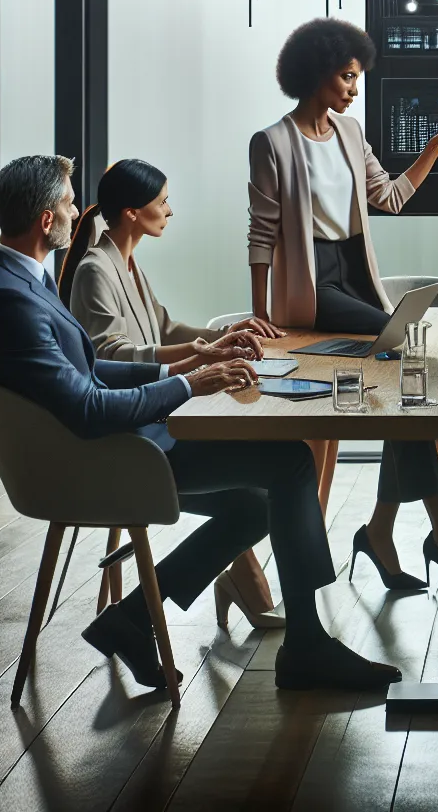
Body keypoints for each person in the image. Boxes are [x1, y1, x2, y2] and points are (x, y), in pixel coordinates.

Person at [0, 155, 399, 691]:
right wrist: (191, 384)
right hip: (104, 459)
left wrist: (186, 366)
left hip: (109, 447)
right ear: (46, 222)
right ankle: (307, 646)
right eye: (69, 205)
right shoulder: (12, 300)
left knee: (255, 502)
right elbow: (87, 407)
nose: (80, 213)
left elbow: (90, 368)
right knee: (290, 463)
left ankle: (132, 619)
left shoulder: (11, 280)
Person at [247, 18, 438, 600]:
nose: (354, 89)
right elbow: (261, 235)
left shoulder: (350, 133)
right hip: (314, 286)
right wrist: (261, 316)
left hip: (355, 278)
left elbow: (389, 198)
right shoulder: (271, 143)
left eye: (356, 78)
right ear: (315, 74)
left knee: (408, 376)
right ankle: (437, 530)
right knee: (408, 353)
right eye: (346, 77)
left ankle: (381, 531)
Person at [60, 157, 286, 631]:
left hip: (153, 428)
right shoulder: (95, 270)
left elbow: (163, 326)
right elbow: (113, 354)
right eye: (162, 202)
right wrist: (201, 354)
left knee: (259, 496)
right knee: (273, 480)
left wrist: (222, 334)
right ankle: (163, 609)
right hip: (136, 440)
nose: (170, 211)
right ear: (131, 213)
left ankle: (146, 614)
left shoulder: (125, 261)